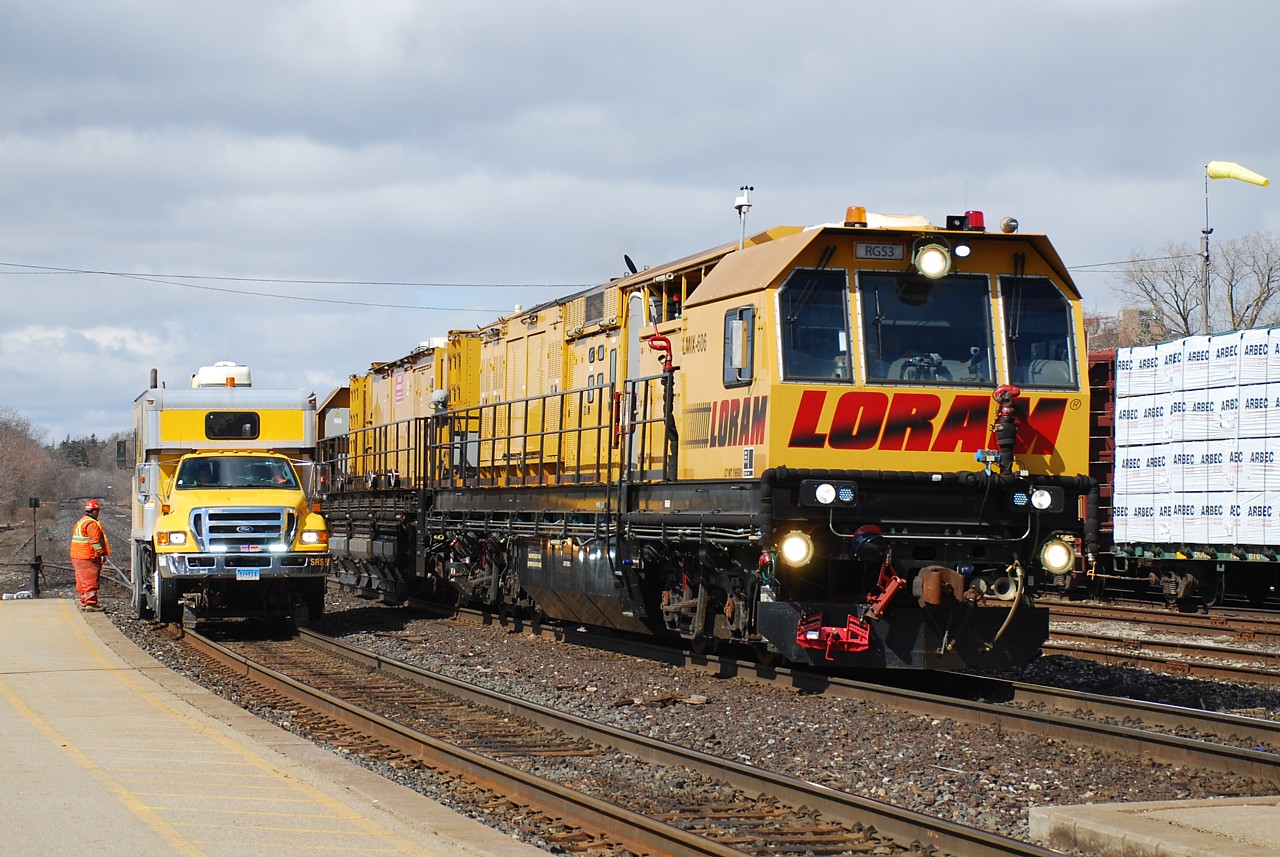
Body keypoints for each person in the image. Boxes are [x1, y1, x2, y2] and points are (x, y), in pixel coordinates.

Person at [70, 499, 110, 612]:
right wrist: (101, 553)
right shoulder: (92, 524)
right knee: (90, 581)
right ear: (95, 511)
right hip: (88, 557)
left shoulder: (81, 521)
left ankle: (84, 601)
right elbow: (95, 543)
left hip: (77, 556)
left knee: (81, 581)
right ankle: (91, 603)